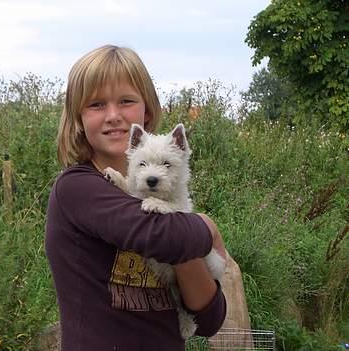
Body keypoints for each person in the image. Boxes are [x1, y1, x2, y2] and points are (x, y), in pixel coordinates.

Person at [45, 44, 227, 351]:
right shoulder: (77, 190)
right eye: (96, 105)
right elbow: (165, 237)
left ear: (148, 110)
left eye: (126, 101)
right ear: (78, 118)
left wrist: (187, 237)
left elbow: (210, 318)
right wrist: (206, 227)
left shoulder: (171, 216)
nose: (113, 116)